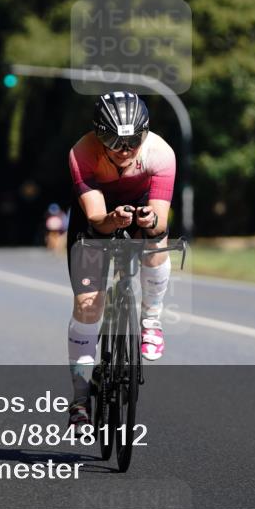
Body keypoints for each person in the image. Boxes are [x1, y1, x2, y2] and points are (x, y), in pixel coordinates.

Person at [65, 92, 176, 433]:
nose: (125, 149)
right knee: (87, 305)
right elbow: (97, 219)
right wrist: (112, 220)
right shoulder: (82, 153)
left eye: (133, 140)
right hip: (97, 212)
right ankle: (81, 400)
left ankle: (152, 320)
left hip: (141, 201)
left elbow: (159, 220)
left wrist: (148, 221)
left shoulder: (161, 154)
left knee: (157, 242)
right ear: (98, 134)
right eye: (114, 140)